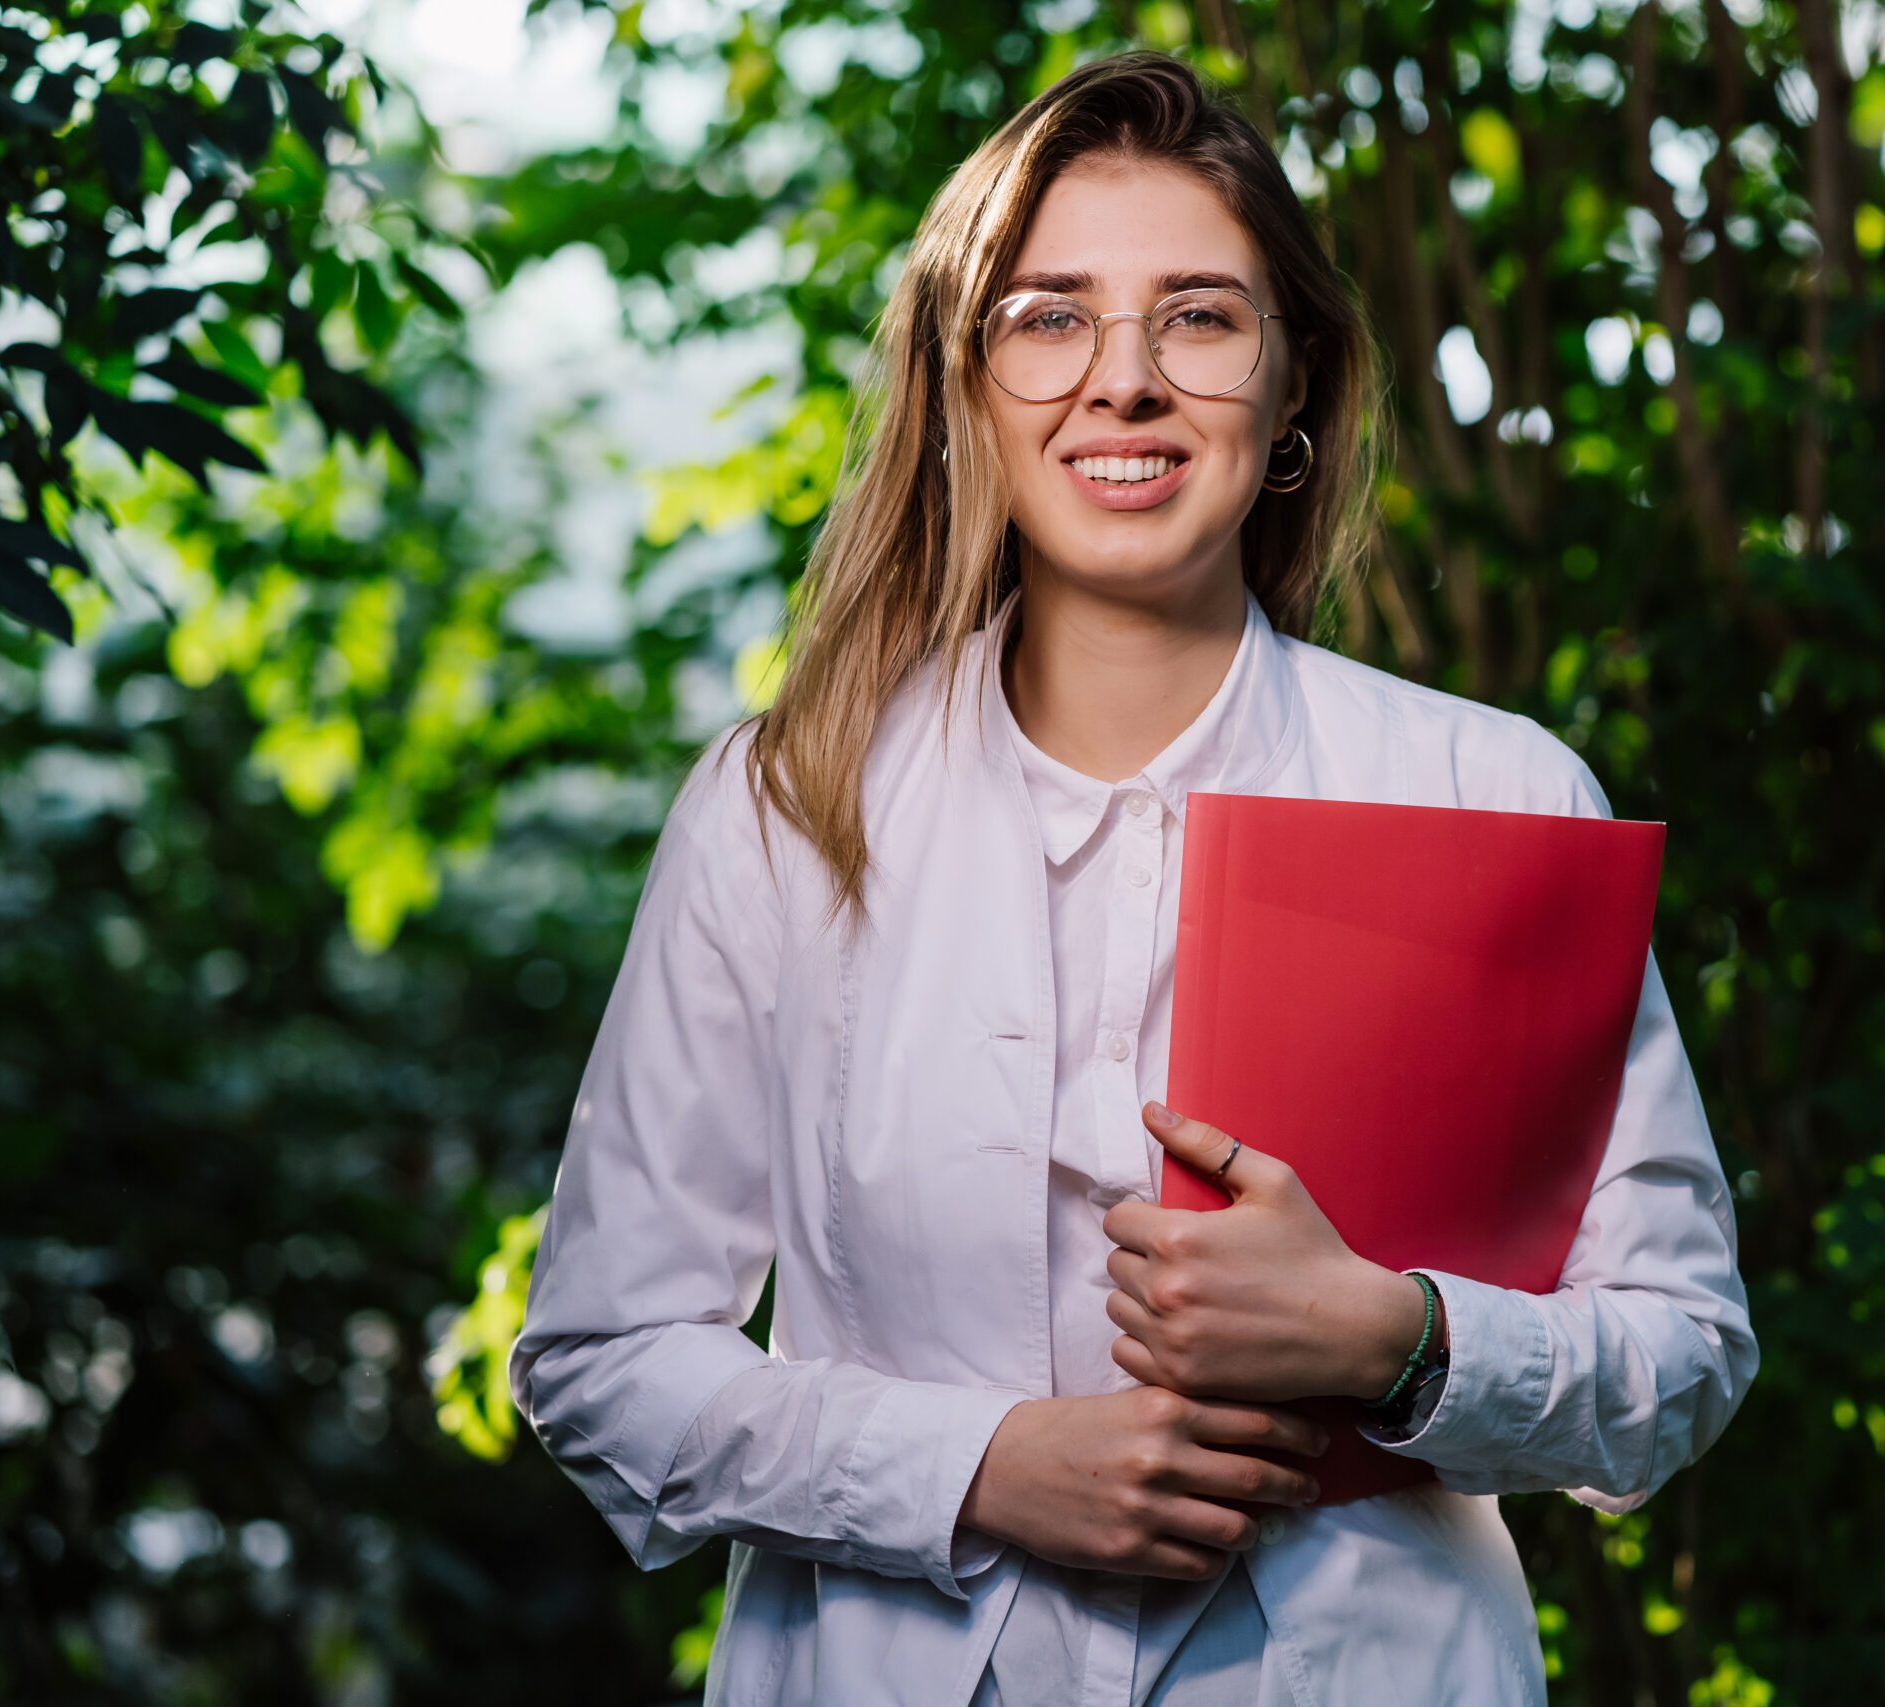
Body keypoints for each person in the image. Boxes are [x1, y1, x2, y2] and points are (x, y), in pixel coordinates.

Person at [511, 52, 1755, 1707]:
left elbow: (1678, 1362)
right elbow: (602, 1364)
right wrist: (980, 1469)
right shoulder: (778, 807)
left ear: (1292, 382)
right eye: (1049, 317)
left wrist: (1401, 1342)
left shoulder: (1493, 792)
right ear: (966, 389)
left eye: (1200, 317)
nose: (1124, 380)